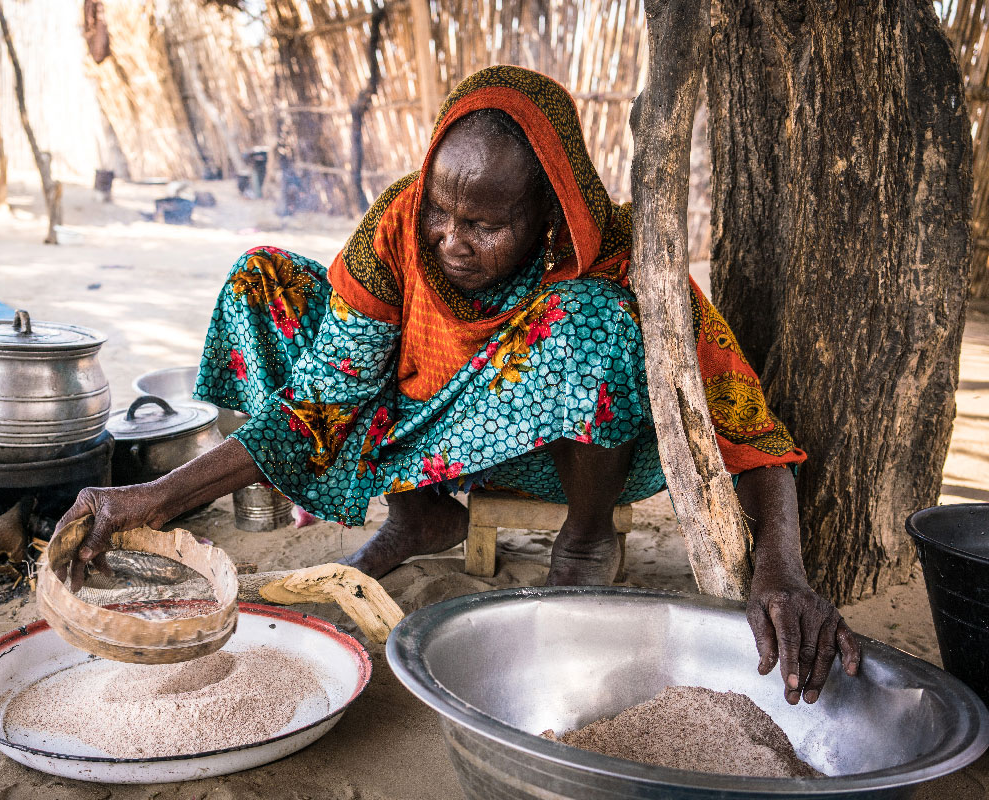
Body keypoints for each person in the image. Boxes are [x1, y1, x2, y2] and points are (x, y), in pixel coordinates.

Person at [54, 65, 860, 704]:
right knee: (262, 279)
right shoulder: (400, 226)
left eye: (483, 225)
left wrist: (781, 571)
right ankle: (421, 515)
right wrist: (156, 498)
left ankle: (583, 539)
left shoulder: (612, 248)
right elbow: (324, 403)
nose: (449, 239)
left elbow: (742, 417)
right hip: (409, 423)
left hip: (548, 451)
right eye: (442, 209)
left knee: (598, 321)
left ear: (548, 213)